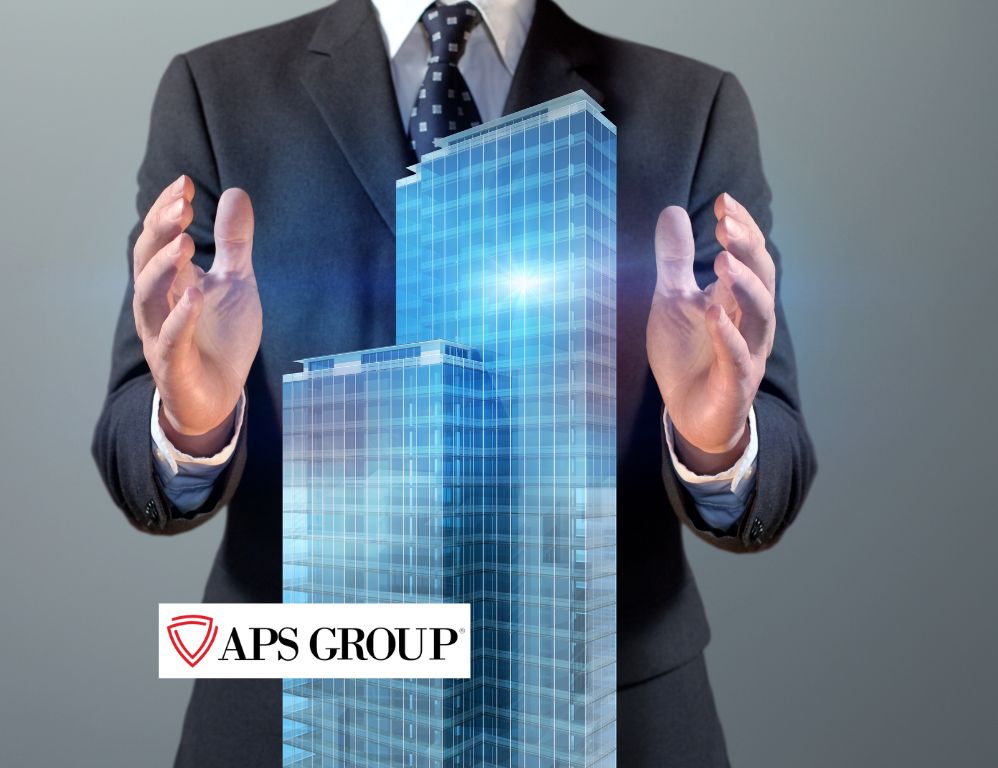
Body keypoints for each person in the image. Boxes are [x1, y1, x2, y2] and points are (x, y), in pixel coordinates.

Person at [92, 0, 816, 764]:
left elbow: (775, 459)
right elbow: (133, 442)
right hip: (299, 702)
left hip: (609, 708)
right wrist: (193, 427)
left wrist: (716, 444)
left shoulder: (689, 107)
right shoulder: (216, 93)